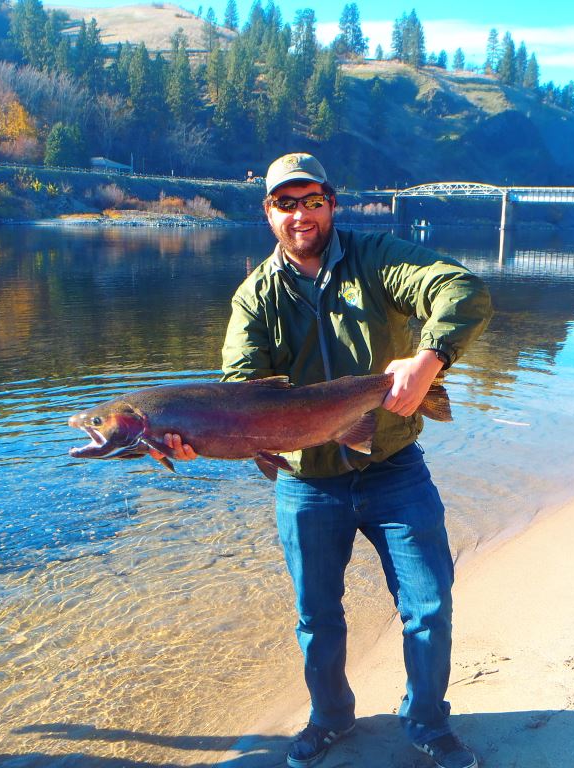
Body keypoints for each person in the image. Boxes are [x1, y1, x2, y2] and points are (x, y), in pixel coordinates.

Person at [155, 153, 493, 768]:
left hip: (393, 466)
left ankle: (426, 720)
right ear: (268, 214)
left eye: (312, 200)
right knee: (317, 617)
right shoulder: (255, 296)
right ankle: (331, 718)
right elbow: (240, 389)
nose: (300, 214)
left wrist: (428, 360)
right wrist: (198, 438)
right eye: (286, 203)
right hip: (307, 484)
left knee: (429, 601)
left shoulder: (378, 257)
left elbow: (461, 289)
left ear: (332, 205)